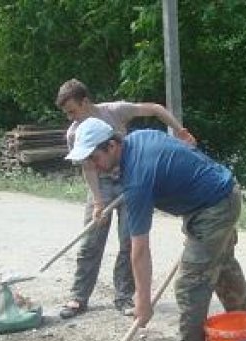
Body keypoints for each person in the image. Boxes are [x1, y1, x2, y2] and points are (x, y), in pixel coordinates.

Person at [65, 117, 246, 341]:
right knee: (221, 268)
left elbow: (140, 249)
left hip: (214, 207)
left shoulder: (137, 179)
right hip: (217, 197)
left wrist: (143, 302)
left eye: (94, 158)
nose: (94, 167)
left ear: (111, 146)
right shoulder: (138, 139)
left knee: (190, 285)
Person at [55, 79, 196, 318]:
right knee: (91, 240)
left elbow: (155, 109)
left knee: (129, 242)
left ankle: (123, 296)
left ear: (85, 102)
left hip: (131, 180)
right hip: (100, 185)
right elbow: (88, 168)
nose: (70, 117)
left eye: (72, 111)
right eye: (66, 113)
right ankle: (79, 296)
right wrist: (98, 201)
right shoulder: (74, 133)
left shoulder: (114, 110)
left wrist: (180, 130)